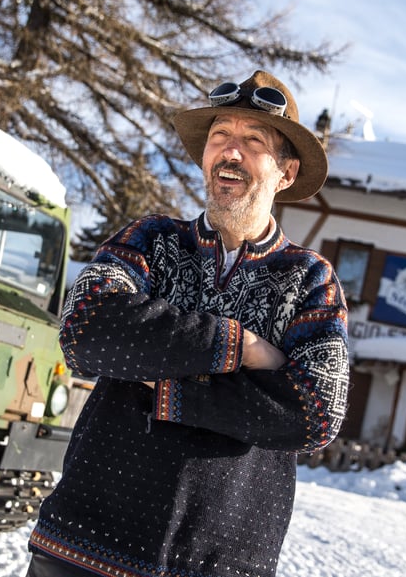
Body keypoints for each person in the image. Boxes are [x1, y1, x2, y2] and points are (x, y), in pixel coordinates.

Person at [26, 71, 350, 577]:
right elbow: (84, 329)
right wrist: (237, 346)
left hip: (220, 563)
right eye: (220, 136)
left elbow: (315, 412)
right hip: (84, 546)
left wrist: (169, 391)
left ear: (286, 173)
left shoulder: (309, 280)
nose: (231, 151)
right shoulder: (150, 240)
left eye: (253, 140)